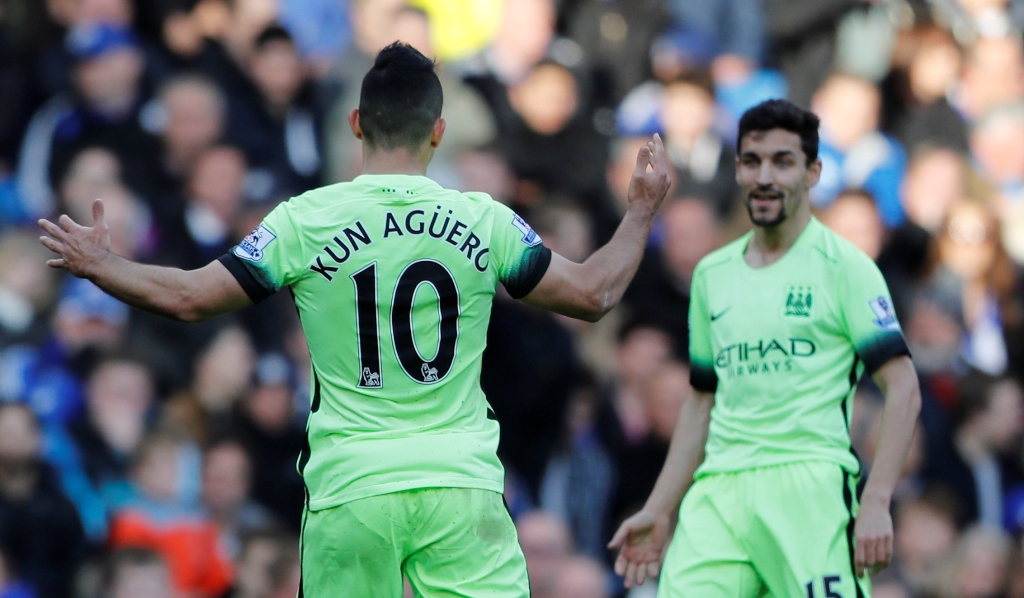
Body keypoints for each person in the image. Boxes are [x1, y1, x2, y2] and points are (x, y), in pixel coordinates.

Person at [38, 43, 671, 598]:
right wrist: (641, 210)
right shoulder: (485, 220)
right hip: (459, 486)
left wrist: (102, 265)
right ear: (438, 133)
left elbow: (190, 297)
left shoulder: (305, 220)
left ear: (356, 124)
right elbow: (594, 293)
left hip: (352, 488)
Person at [609, 99, 921, 597]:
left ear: (813, 173)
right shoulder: (712, 275)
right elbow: (701, 402)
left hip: (810, 488)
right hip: (720, 491)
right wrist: (659, 507)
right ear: (737, 170)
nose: (765, 176)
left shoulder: (846, 268)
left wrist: (877, 500)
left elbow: (903, 388)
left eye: (783, 161)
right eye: (752, 161)